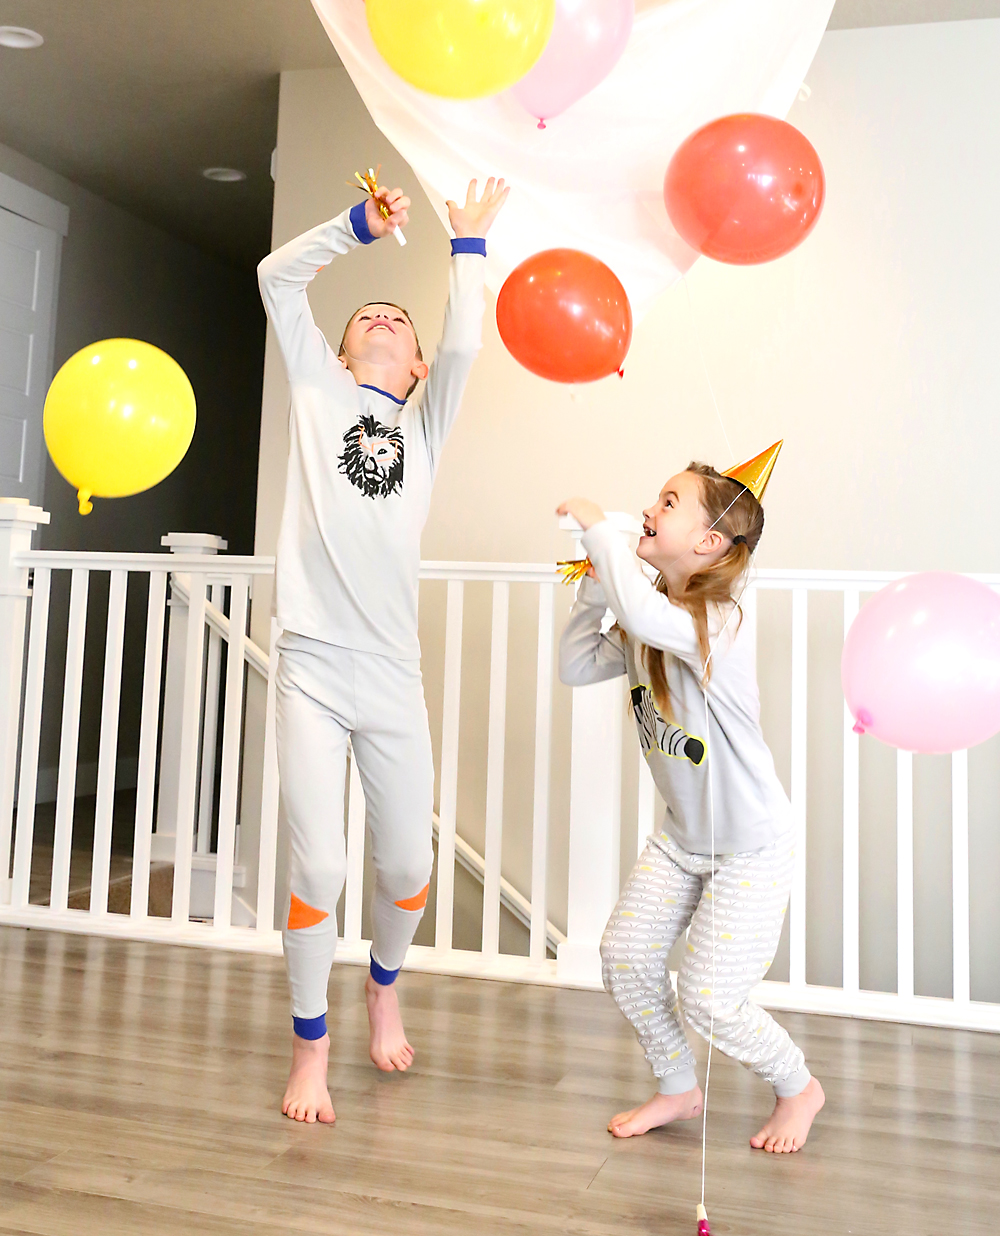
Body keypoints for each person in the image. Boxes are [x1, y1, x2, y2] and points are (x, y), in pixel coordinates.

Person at [258, 173, 508, 1124]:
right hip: (315, 667)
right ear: (341, 345)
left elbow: (466, 340)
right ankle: (309, 1046)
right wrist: (355, 227)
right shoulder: (319, 388)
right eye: (367, 313)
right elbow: (280, 279)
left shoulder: (426, 425)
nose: (383, 321)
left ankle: (383, 982)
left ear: (413, 370)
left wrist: (467, 246)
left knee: (406, 867)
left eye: (399, 324)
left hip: (391, 675)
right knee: (319, 867)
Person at [557, 454, 825, 1155]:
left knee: (709, 996)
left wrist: (599, 532)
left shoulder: (719, 621)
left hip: (750, 847)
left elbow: (645, 610)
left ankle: (798, 1086)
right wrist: (596, 583)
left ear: (707, 543)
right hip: (683, 839)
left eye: (669, 501)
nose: (651, 506)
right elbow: (576, 664)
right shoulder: (651, 624)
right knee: (624, 956)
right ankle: (678, 1086)